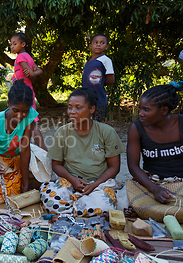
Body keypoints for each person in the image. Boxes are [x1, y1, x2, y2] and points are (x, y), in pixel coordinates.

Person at [40, 88, 124, 216]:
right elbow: (56, 164)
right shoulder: (63, 132)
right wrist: (72, 180)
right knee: (50, 199)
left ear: (92, 109)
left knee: (105, 204)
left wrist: (95, 184)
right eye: (69, 107)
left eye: (78, 107)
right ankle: (83, 208)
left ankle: (71, 210)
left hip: (99, 183)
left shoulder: (106, 132)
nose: (72, 112)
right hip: (69, 181)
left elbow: (114, 167)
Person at [0, 80, 37, 205]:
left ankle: (26, 180)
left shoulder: (30, 117)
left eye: (25, 111)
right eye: (15, 110)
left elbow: (24, 150)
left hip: (14, 161)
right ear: (8, 104)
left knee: (14, 195)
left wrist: (25, 182)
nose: (20, 116)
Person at [127, 83, 183, 204]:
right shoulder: (136, 128)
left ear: (164, 110)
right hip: (152, 182)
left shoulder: (182, 123)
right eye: (140, 108)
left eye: (146, 109)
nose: (141, 113)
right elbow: (133, 166)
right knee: (125, 205)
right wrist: (155, 189)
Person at [10, 32, 46, 150]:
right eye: (11, 44)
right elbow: (39, 71)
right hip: (28, 91)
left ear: (23, 44)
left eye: (15, 44)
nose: (12, 47)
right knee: (28, 124)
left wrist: (31, 73)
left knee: (30, 124)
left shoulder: (20, 57)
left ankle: (45, 151)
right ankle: (27, 148)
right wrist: (32, 73)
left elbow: (31, 75)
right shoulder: (28, 57)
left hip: (23, 93)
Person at [81, 34, 115, 123]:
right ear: (90, 46)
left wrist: (98, 82)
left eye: (102, 43)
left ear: (106, 46)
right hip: (86, 97)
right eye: (96, 42)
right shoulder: (87, 62)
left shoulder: (105, 60)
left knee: (99, 121)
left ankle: (100, 136)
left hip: (98, 97)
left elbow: (111, 80)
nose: (98, 45)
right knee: (86, 119)